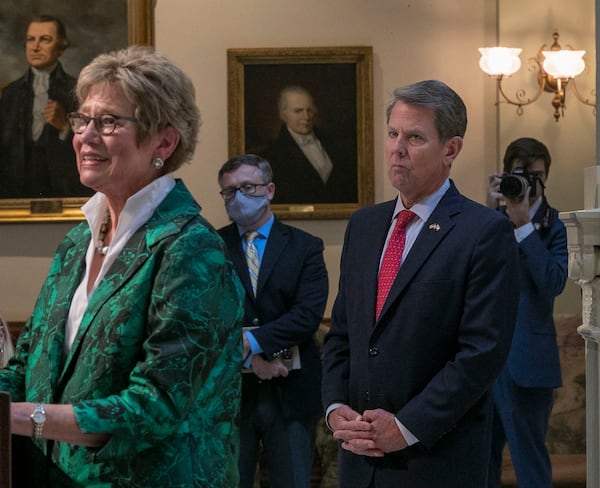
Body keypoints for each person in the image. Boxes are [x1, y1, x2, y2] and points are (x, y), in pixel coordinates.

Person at [0, 46, 244, 487]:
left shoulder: (190, 249)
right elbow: (29, 363)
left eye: (109, 122)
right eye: (82, 120)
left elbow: (155, 405)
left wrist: (15, 417)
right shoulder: (78, 241)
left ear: (164, 142)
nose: (85, 136)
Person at [321, 79, 520, 488]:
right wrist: (336, 407)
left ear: (451, 149)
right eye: (393, 134)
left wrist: (407, 425)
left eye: (414, 138)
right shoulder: (363, 226)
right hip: (359, 461)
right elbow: (343, 334)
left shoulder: (484, 232)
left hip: (434, 460)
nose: (397, 148)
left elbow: (480, 354)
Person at [217, 154, 328, 488]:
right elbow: (209, 316)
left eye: (247, 187)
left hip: (291, 394)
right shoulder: (210, 246)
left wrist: (251, 343)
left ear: (269, 190)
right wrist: (253, 360)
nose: (238, 197)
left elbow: (306, 316)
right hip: (230, 397)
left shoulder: (305, 247)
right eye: (229, 191)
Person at [486, 137, 568, 487]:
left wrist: (523, 228)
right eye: (521, 175)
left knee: (530, 462)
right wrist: (489, 211)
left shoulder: (556, 225)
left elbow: (554, 283)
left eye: (536, 176)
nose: (529, 184)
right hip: (481, 360)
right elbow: (468, 275)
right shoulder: (488, 222)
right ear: (506, 174)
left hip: (528, 363)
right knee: (478, 461)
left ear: (547, 177)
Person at [0, 14, 91, 198]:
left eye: (45, 40)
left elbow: (92, 143)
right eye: (31, 40)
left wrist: (65, 127)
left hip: (62, 185)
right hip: (17, 188)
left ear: (60, 47)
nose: (35, 47)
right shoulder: (10, 93)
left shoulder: (77, 90)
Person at [262, 85, 357, 205]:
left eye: (309, 110)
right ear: (283, 115)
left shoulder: (335, 144)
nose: (306, 117)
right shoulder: (273, 155)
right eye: (298, 111)